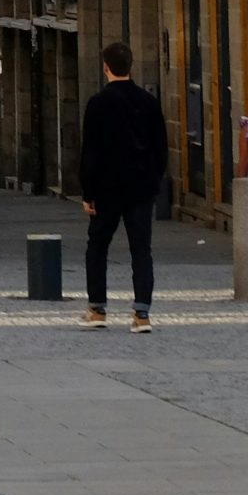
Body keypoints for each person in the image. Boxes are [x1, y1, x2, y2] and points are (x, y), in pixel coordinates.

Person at [79, 41, 169, 333]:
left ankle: (97, 309)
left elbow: (90, 151)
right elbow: (161, 148)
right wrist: (154, 181)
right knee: (141, 250)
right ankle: (142, 314)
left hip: (106, 189)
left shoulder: (98, 103)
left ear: (105, 67)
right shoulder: (148, 102)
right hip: (141, 188)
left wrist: (88, 192)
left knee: (97, 246)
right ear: (130, 66)